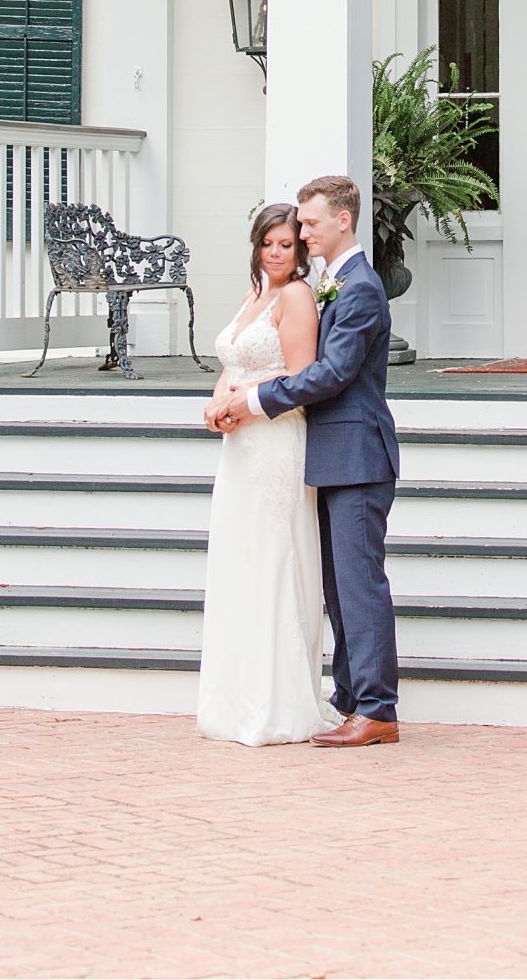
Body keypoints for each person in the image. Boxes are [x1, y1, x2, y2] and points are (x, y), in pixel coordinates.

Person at [216, 174, 401, 749]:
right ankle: (350, 699)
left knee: (359, 584)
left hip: (357, 454)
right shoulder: (330, 283)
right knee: (340, 589)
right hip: (326, 455)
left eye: (312, 222)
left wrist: (253, 400)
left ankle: (377, 709)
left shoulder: (361, 288)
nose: (303, 232)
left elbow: (333, 373)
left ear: (343, 219)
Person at [196, 202, 337, 746]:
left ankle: (278, 700)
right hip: (239, 445)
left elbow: (300, 380)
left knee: (274, 558)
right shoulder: (255, 295)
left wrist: (243, 404)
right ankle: (236, 696)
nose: (276, 253)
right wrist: (216, 405)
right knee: (240, 559)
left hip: (277, 440)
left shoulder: (297, 295)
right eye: (267, 244)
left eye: (286, 244)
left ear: (300, 249)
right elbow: (235, 364)